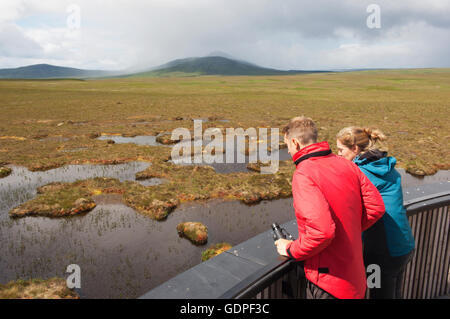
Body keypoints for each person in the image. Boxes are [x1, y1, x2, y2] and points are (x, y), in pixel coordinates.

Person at [275, 116, 386, 299]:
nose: (288, 150)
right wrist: (346, 230)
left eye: (287, 145)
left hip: (329, 283)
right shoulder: (346, 163)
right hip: (355, 277)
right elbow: (376, 207)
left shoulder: (304, 174)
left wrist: (291, 249)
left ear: (295, 142)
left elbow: (322, 232)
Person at [336, 127, 415, 299]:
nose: (338, 154)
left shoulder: (359, 173)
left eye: (341, 150)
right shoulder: (384, 165)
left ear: (355, 149)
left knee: (377, 294)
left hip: (381, 253)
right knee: (393, 294)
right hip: (403, 245)